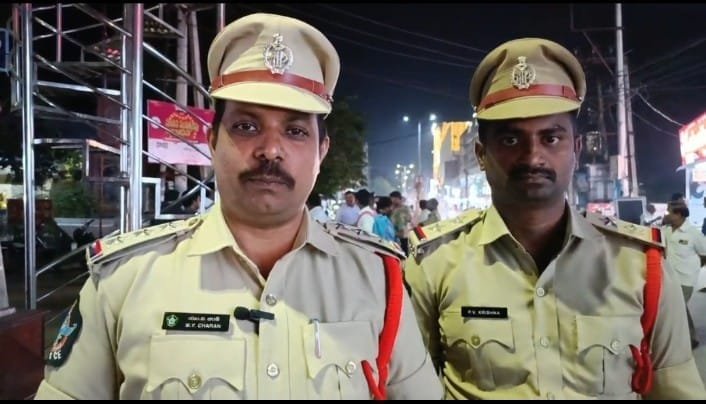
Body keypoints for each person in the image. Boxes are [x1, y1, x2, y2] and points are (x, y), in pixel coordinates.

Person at [34, 13, 441, 400]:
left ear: (321, 152)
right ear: (212, 142)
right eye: (246, 126)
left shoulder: (376, 280)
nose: (271, 150)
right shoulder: (125, 280)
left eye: (295, 131)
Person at [404, 37, 706, 399]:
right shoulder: (434, 266)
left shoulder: (641, 267)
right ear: (481, 154)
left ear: (576, 149)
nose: (533, 157)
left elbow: (677, 390)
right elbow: (409, 387)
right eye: (511, 140)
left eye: (551, 138)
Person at [662, 200, 706, 349]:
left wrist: (695, 269)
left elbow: (704, 252)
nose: (666, 215)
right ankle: (691, 337)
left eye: (669, 212)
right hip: (669, 277)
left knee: (675, 308)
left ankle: (683, 341)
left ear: (679, 214)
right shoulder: (666, 230)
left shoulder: (693, 233)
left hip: (685, 279)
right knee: (679, 308)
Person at [389, 191, 412, 255]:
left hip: (404, 237)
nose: (392, 201)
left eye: (393, 199)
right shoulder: (392, 209)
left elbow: (409, 219)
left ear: (397, 199)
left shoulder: (405, 209)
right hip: (395, 237)